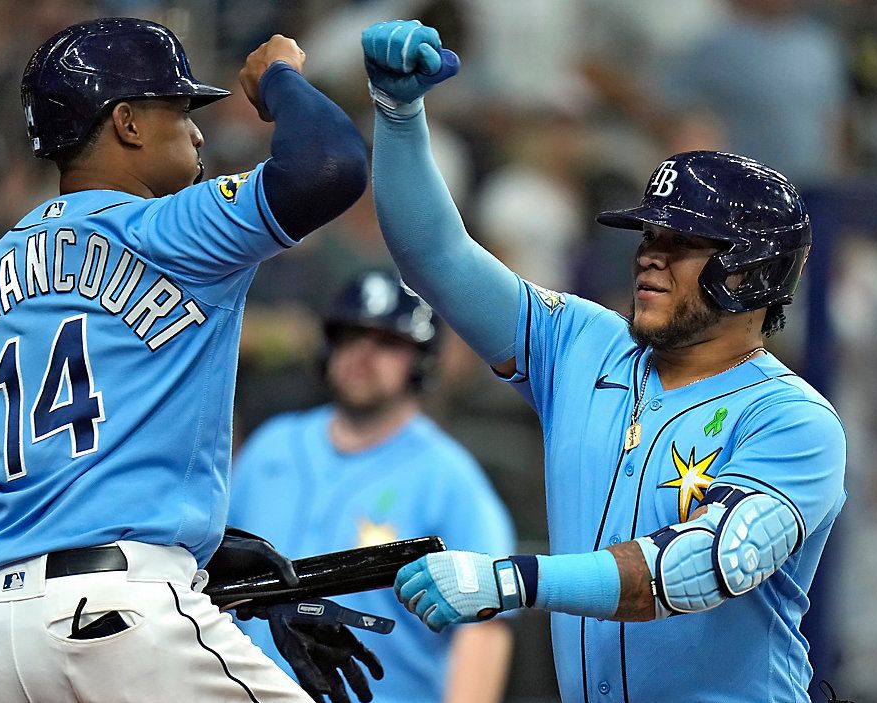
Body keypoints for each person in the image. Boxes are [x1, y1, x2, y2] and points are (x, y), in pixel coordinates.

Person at [359, 20, 848, 702]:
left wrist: (516, 579)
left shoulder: (794, 420)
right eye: (649, 234)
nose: (649, 253)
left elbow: (700, 566)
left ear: (752, 273)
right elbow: (435, 256)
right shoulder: (581, 342)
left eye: (683, 242)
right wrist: (399, 114)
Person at [0, 18, 369, 702]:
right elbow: (332, 164)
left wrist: (202, 544)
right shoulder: (171, 228)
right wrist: (282, 79)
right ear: (128, 123)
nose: (198, 132)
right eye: (178, 110)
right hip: (121, 620)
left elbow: (47, 465)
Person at [230, 270, 517, 703]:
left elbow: (486, 626)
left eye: (387, 343)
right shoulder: (271, 445)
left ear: (422, 362)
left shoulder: (449, 477)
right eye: (352, 336)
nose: (364, 353)